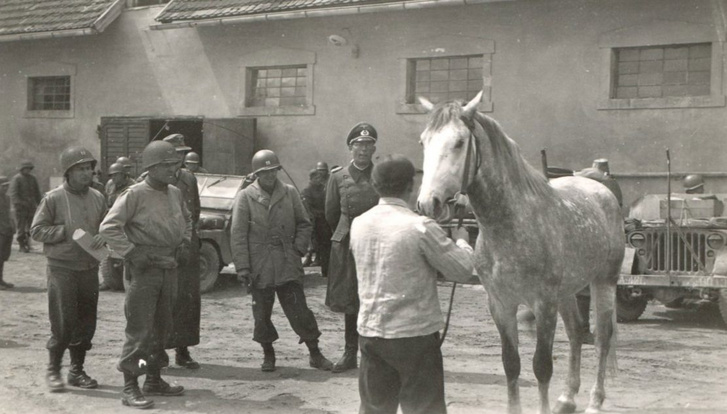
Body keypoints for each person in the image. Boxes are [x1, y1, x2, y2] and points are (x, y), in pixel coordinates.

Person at [349, 154, 475, 414]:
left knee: (374, 409)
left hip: (371, 333)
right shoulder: (420, 227)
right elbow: (462, 271)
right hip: (414, 337)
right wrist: (462, 241)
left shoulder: (358, 224)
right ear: (411, 186)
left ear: (375, 185)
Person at [100, 140, 191, 409]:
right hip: (144, 269)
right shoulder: (134, 194)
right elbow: (109, 228)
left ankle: (154, 378)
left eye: (174, 165)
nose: (172, 170)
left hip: (169, 266)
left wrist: (184, 242)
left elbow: (187, 220)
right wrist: (132, 252)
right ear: (151, 168)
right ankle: (130, 386)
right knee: (140, 328)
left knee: (162, 327)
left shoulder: (175, 192)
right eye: (166, 165)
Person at [231, 149, 333, 373]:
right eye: (264, 172)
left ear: (278, 170)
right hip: (260, 265)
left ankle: (315, 353)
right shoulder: (245, 196)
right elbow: (238, 234)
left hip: (287, 261)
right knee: (262, 314)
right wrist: (243, 267)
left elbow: (304, 223)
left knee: (300, 310)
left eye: (273, 170)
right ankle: (268, 354)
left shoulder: (289, 193)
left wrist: (298, 248)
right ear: (257, 173)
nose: (269, 175)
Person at [30, 147, 107, 392]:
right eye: (81, 169)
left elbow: (107, 226)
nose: (87, 173)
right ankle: (54, 370)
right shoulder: (53, 198)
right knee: (63, 322)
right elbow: (36, 231)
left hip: (89, 267)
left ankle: (76, 371)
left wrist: (103, 237)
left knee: (87, 322)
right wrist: (64, 231)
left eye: (89, 168)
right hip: (61, 268)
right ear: (68, 173)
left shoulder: (98, 197)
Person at [325, 122, 380, 373]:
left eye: (368, 145)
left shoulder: (381, 175)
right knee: (350, 300)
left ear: (373, 148)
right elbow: (331, 213)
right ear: (350, 148)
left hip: (376, 243)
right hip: (348, 244)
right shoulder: (338, 177)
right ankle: (349, 353)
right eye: (359, 145)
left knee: (376, 298)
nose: (363, 150)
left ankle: (376, 355)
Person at [160, 133, 203, 370]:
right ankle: (160, 349)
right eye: (175, 154)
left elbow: (194, 211)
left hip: (187, 247)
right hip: (164, 248)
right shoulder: (151, 179)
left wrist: (188, 240)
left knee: (187, 300)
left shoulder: (189, 178)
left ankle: (182, 349)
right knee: (164, 299)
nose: (180, 159)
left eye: (182, 154)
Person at [574, 158, 623, 345]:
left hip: (594, 244)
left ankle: (587, 330)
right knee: (594, 290)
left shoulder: (602, 190)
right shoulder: (608, 189)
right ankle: (592, 331)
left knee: (584, 290)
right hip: (599, 244)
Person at [99, 162, 136, 292]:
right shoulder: (110, 185)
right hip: (112, 218)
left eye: (116, 175)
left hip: (127, 220)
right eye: (111, 175)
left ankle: (130, 281)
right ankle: (108, 279)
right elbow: (106, 201)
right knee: (107, 251)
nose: (113, 178)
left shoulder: (133, 186)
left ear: (123, 174)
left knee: (128, 250)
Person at [301, 162, 332, 277]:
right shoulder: (307, 191)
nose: (319, 179)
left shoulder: (323, 189)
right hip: (316, 223)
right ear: (312, 178)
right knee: (319, 246)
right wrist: (321, 213)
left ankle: (327, 269)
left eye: (320, 176)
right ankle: (324, 269)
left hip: (324, 223)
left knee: (326, 247)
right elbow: (308, 209)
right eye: (317, 177)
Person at [9, 160, 42, 253]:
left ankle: (27, 243)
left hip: (31, 207)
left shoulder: (33, 179)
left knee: (31, 227)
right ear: (22, 169)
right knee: (21, 227)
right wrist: (19, 204)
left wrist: (40, 204)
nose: (27, 170)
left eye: (29, 168)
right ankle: (22, 245)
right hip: (21, 208)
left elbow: (37, 193)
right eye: (25, 168)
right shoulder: (17, 179)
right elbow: (14, 194)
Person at [0, 176, 15, 290]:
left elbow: (9, 214)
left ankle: (0, 280)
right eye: (3, 186)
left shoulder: (7, 198)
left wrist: (12, 225)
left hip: (6, 230)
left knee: (3, 256)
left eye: (7, 186)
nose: (5, 188)